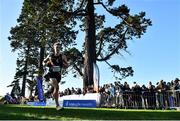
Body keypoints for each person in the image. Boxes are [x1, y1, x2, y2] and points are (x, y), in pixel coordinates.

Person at [43, 42, 68, 110]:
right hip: (51, 74)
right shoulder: (50, 55)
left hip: (58, 74)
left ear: (60, 48)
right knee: (57, 87)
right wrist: (47, 63)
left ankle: (49, 93)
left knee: (55, 88)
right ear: (54, 47)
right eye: (56, 47)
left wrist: (63, 64)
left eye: (59, 47)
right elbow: (44, 62)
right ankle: (57, 106)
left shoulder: (63, 56)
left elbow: (66, 66)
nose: (57, 48)